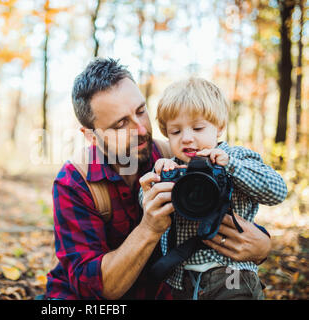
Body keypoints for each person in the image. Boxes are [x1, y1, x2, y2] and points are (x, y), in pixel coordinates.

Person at [45, 58, 272, 300]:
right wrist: (150, 227)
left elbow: (226, 208)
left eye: (141, 112)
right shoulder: (75, 182)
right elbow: (96, 288)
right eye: (121, 123)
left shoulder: (174, 157)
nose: (141, 129)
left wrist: (262, 246)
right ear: (91, 136)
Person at [141, 77, 287, 299]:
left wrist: (230, 166)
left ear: (219, 127)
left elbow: (277, 191)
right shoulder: (171, 168)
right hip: (182, 278)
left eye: (198, 127)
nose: (187, 138)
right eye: (176, 132)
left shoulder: (236, 158)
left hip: (232, 273)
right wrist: (158, 182)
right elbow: (146, 204)